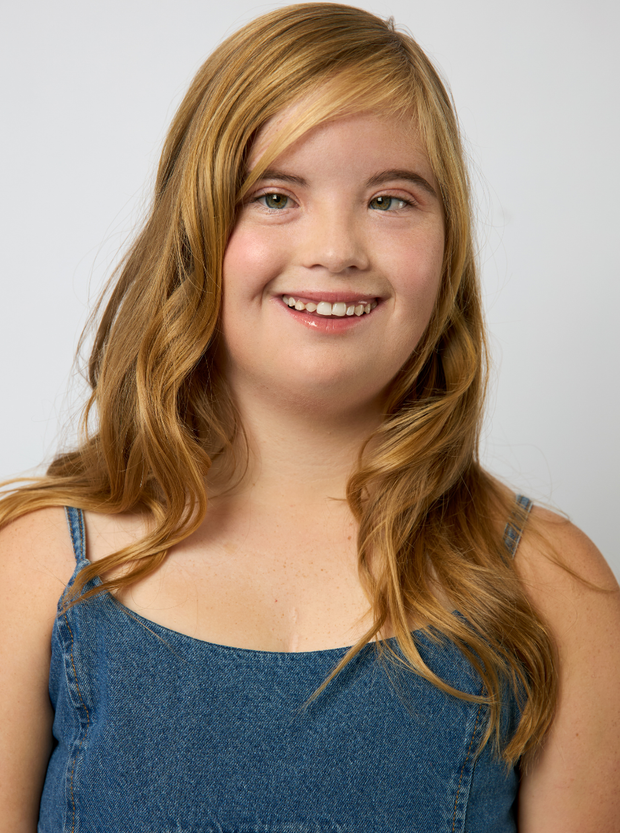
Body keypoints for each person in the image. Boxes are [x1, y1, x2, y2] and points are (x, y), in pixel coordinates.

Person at [1, 3, 619, 831]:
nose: (337, 249)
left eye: (390, 200)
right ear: (195, 231)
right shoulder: (36, 567)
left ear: (449, 246)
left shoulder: (555, 587)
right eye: (275, 196)